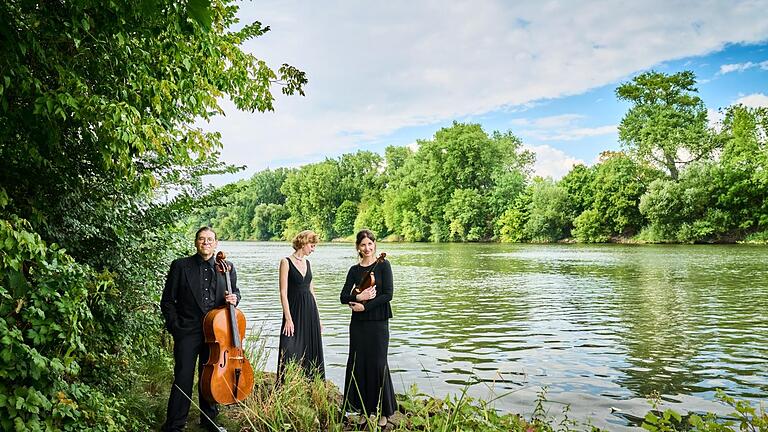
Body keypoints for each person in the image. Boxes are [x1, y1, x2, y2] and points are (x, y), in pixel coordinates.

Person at [160, 227, 240, 432]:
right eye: (202, 239)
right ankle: (175, 425)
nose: (206, 242)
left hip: (217, 334)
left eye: (210, 239)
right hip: (187, 330)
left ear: (216, 243)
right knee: (183, 377)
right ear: (196, 242)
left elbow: (235, 293)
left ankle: (209, 421)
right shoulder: (180, 266)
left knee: (211, 376)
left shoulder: (227, 267)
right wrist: (175, 327)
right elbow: (168, 301)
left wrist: (235, 298)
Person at [339, 229, 396, 427]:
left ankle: (382, 412)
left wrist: (366, 306)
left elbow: (388, 294)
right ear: (358, 247)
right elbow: (343, 297)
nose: (367, 248)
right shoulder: (354, 270)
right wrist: (357, 297)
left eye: (370, 244)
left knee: (378, 364)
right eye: (363, 245)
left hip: (379, 322)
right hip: (358, 325)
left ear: (374, 245)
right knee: (359, 365)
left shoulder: (383, 265)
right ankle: (363, 410)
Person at [277, 230, 325, 379]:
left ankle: (310, 381)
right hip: (294, 311)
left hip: (310, 310)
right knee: (289, 346)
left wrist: (319, 318)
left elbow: (312, 291)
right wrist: (288, 319)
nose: (313, 249)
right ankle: (287, 382)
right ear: (303, 243)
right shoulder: (286, 262)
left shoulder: (308, 263)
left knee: (310, 347)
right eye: (312, 245)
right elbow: (283, 293)